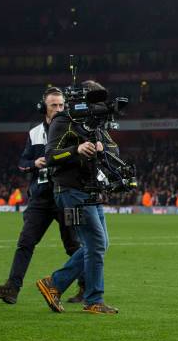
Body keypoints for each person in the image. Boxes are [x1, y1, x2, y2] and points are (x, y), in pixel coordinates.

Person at [0, 87, 84, 305]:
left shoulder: (74, 130)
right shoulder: (35, 133)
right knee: (26, 242)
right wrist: (33, 164)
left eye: (61, 105)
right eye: (53, 105)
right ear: (44, 108)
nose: (58, 109)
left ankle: (85, 289)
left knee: (74, 246)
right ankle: (12, 288)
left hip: (65, 196)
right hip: (41, 199)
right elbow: (22, 163)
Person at [36, 80, 119, 314]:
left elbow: (115, 149)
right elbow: (51, 156)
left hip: (90, 190)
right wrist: (77, 150)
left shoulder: (94, 124)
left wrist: (104, 149)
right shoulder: (63, 121)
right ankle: (93, 300)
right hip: (70, 191)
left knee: (100, 243)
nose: (100, 106)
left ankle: (55, 284)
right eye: (96, 100)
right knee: (95, 244)